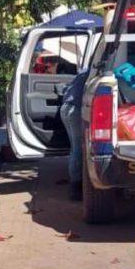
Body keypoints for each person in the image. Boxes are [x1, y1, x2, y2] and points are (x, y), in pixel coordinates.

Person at [60, 69, 89, 201]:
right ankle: (75, 187)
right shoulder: (94, 71)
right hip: (75, 110)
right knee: (79, 149)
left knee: (75, 148)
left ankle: (75, 182)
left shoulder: (84, 72)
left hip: (66, 107)